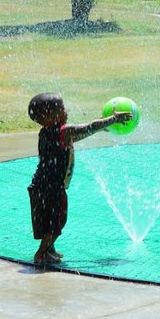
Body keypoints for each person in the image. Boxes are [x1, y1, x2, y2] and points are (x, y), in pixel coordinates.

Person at [27, 93, 133, 267]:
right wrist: (111, 120)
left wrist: (103, 124)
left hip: (41, 184)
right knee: (57, 221)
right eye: (61, 109)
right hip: (52, 187)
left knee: (49, 220)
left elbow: (86, 129)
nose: (65, 111)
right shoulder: (63, 132)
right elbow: (89, 127)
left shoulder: (46, 132)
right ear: (48, 116)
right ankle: (42, 253)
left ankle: (50, 250)